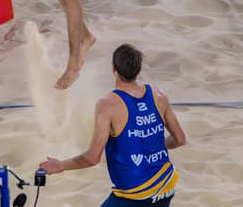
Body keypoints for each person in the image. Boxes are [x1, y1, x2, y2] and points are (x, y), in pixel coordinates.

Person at [39, 44, 187, 206]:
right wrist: (148, 146)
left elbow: (92, 158)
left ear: (113, 68)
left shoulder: (107, 105)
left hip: (136, 195)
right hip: (166, 186)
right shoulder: (158, 95)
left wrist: (61, 165)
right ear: (138, 70)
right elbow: (179, 139)